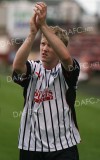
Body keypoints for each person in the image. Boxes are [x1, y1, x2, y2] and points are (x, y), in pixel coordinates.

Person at [12, 2, 81, 160]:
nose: (44, 48)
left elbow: (65, 57)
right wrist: (32, 33)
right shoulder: (32, 67)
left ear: (58, 47)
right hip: (30, 144)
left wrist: (43, 25)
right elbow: (17, 66)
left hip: (64, 144)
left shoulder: (69, 70)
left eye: (50, 45)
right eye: (43, 44)